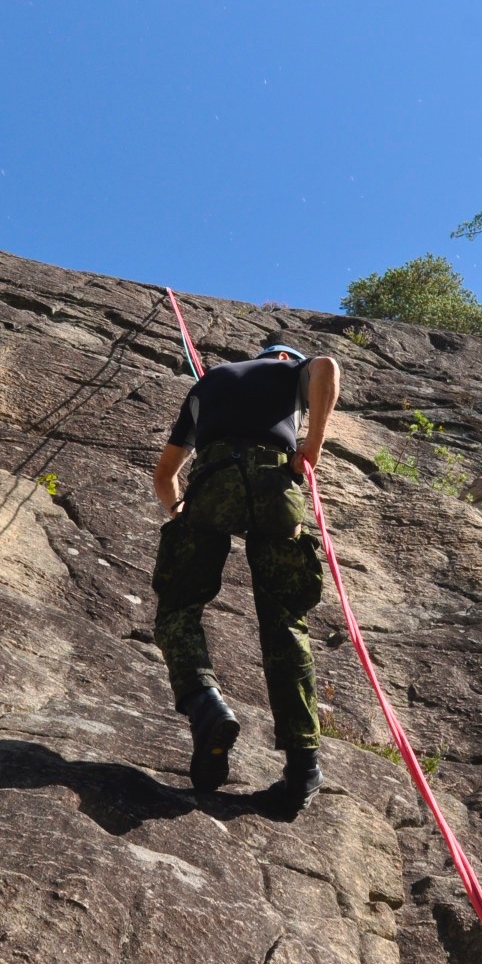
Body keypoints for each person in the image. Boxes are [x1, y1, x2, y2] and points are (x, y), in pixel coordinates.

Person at [151, 339, 341, 810]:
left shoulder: (210, 380)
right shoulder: (289, 370)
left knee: (179, 607)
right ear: (285, 357)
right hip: (276, 485)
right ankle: (302, 769)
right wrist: (312, 444)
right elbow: (326, 368)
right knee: (285, 624)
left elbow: (165, 473)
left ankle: (204, 703)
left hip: (212, 481)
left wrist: (180, 512)